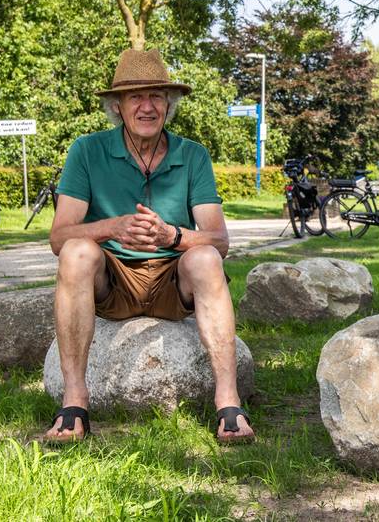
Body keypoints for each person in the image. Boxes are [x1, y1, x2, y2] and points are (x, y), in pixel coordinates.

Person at [42, 48, 254, 445]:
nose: (147, 106)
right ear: (117, 107)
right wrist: (114, 227)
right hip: (114, 281)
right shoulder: (87, 150)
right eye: (135, 97)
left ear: (168, 105)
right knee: (75, 250)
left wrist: (170, 236)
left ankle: (228, 403)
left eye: (157, 96)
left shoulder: (193, 154)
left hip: (173, 282)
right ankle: (75, 403)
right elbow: (58, 236)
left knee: (205, 257)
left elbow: (219, 239)